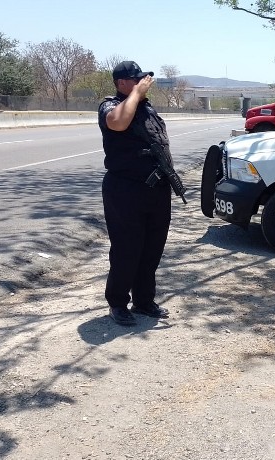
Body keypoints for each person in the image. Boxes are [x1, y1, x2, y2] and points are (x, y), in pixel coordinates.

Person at [98, 60, 172, 326]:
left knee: (152, 248)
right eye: (136, 79)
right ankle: (118, 303)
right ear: (121, 83)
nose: (143, 82)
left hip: (156, 189)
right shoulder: (110, 105)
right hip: (125, 190)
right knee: (126, 249)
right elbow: (118, 123)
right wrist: (136, 95)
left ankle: (143, 301)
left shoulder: (146, 107)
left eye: (143, 79)